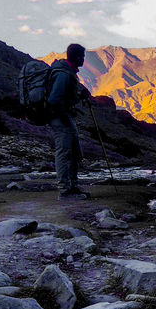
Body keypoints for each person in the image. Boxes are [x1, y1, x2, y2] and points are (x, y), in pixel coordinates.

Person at [47, 43, 89, 200]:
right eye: (83, 57)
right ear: (78, 57)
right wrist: (63, 115)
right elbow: (54, 100)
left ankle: (72, 186)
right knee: (64, 152)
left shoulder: (66, 72)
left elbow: (63, 98)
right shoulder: (64, 74)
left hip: (62, 117)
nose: (84, 60)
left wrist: (78, 96)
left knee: (72, 150)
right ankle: (65, 190)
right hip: (60, 118)